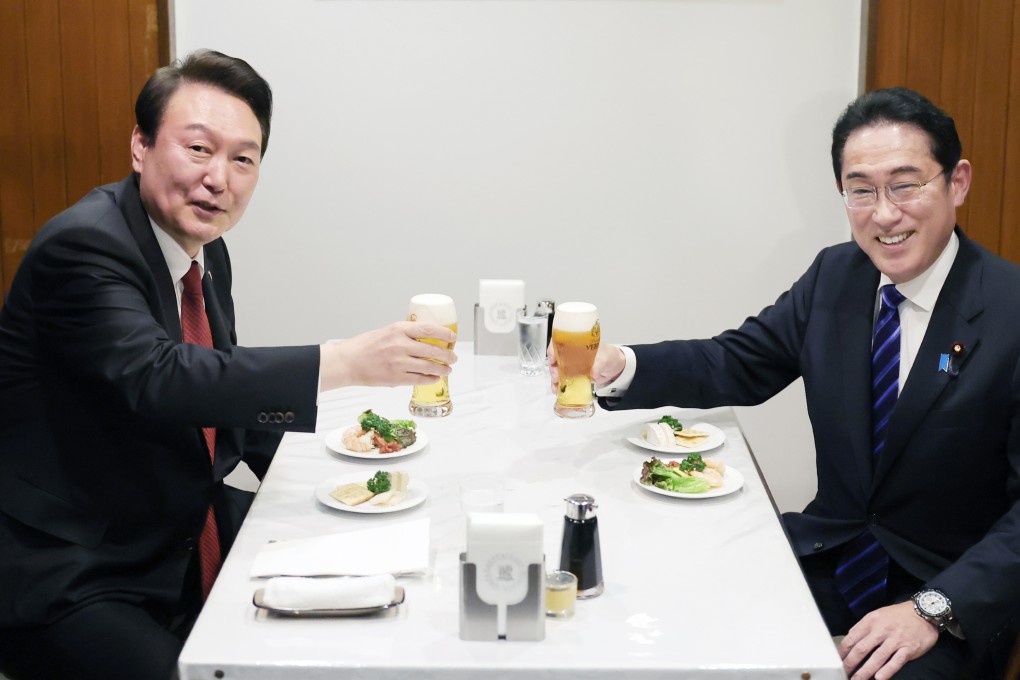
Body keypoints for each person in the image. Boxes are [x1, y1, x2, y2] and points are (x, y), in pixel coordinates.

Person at [0, 49, 456, 680]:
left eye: (243, 158)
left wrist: (339, 471)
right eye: (198, 149)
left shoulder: (204, 253)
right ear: (141, 145)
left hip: (176, 528)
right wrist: (344, 361)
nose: (220, 178)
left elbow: (219, 396)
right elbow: (159, 378)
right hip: (79, 569)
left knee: (381, 590)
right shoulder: (85, 246)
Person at [553, 87, 1020, 679]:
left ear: (956, 182)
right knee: (665, 613)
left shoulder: (1010, 311)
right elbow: (737, 361)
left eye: (905, 185)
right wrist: (620, 365)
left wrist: (933, 609)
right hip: (831, 554)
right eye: (861, 190)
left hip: (946, 595)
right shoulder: (837, 275)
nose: (883, 213)